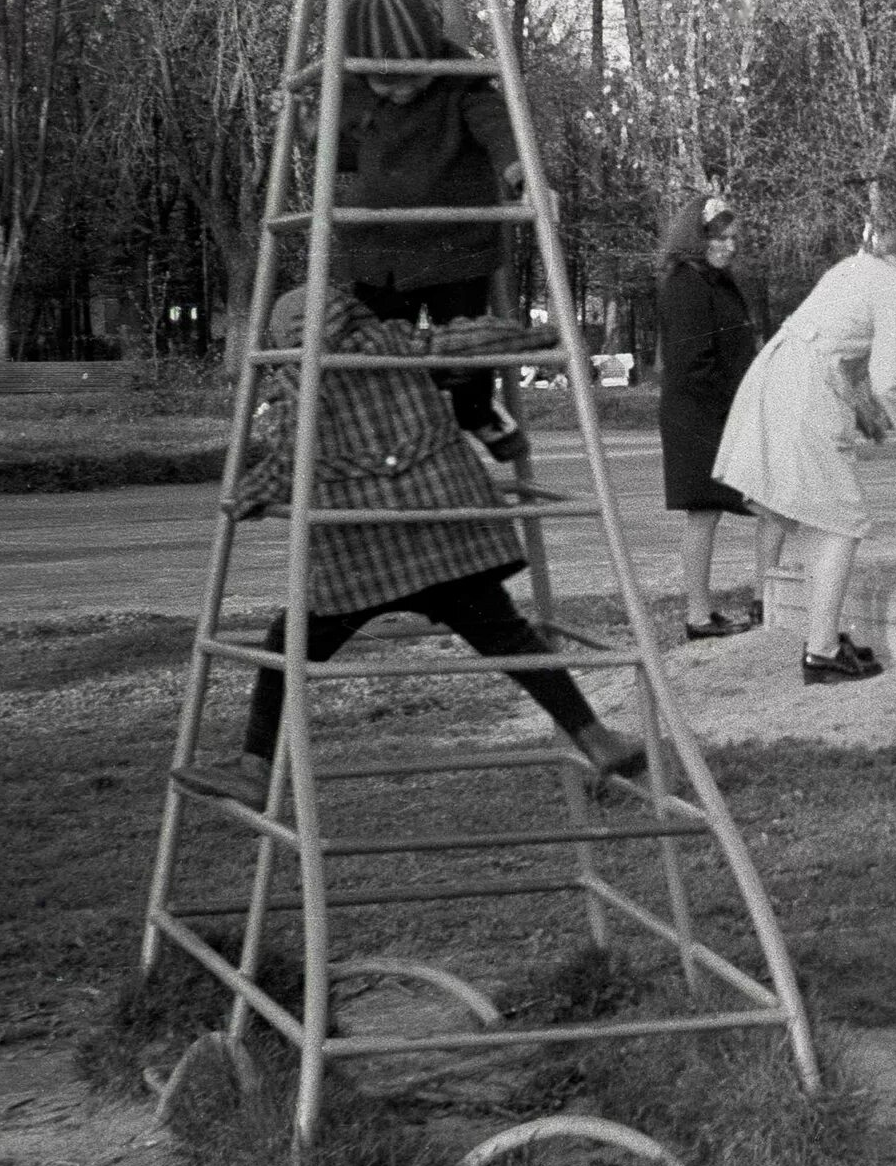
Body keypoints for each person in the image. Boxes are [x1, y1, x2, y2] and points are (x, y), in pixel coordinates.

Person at [198, 284, 641, 798]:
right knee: (510, 638)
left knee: (288, 644)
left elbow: (289, 459)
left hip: (365, 558)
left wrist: (245, 497)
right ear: (350, 312)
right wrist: (542, 333)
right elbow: (465, 340)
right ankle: (597, 738)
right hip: (449, 539)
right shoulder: (392, 342)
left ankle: (257, 765)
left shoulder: (302, 380)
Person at [713, 214, 896, 684]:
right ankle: (823, 653)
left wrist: (859, 408)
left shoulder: (855, 266)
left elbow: (830, 343)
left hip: (775, 374)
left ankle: (821, 637)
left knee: (817, 516)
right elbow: (892, 382)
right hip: (806, 392)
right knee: (839, 521)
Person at [334, 0, 531, 462]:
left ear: (435, 58)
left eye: (412, 78)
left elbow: (498, 128)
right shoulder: (352, 94)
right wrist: (305, 129)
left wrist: (519, 170)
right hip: (379, 247)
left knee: (467, 337)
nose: (401, 92)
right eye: (387, 82)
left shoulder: (460, 81)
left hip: (455, 242)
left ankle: (477, 412)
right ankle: (392, 428)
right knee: (379, 342)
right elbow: (340, 157)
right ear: (362, 71)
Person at [655, 194, 783, 641]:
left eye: (733, 238)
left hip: (718, 411)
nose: (729, 246)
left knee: (739, 508)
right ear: (696, 238)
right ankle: (719, 612)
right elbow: (694, 363)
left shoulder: (715, 282)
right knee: (729, 508)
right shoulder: (687, 285)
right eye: (719, 238)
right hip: (701, 415)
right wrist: (740, 407)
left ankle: (750, 606)